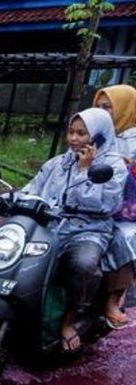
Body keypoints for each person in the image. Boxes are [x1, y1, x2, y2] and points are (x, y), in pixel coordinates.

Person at [0, 108, 126, 351]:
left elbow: (106, 204)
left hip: (88, 230)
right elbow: (33, 189)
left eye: (82, 133)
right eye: (71, 131)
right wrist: (3, 199)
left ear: (99, 136)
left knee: (83, 264)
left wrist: (85, 170)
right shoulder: (58, 163)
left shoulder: (113, 166)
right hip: (51, 226)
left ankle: (71, 319)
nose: (73, 138)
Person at [93, 84, 136, 327]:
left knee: (126, 240)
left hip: (127, 210)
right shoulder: (96, 134)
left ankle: (112, 300)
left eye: (108, 107)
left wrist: (129, 167)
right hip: (92, 200)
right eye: (98, 107)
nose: (103, 112)